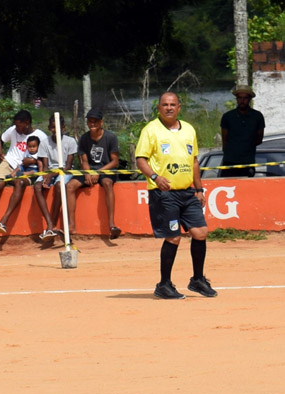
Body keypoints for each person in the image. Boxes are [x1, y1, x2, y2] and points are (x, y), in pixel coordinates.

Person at [135, 91, 217, 300]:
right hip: (164, 193)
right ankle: (164, 284)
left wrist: (199, 189)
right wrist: (155, 176)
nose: (169, 108)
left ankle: (197, 280)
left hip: (188, 192)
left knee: (200, 232)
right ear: (159, 108)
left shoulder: (188, 129)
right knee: (173, 237)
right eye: (165, 105)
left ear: (179, 107)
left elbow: (194, 161)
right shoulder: (150, 130)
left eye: (173, 104)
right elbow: (141, 160)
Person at [64, 108, 121, 239]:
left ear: (101, 122)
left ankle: (111, 225)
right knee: (70, 186)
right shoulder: (84, 138)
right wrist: (88, 173)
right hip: (89, 169)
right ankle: (71, 226)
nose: (92, 124)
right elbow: (84, 160)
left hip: (105, 169)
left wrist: (98, 172)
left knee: (107, 183)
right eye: (90, 122)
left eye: (95, 122)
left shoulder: (110, 137)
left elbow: (115, 161)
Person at [32, 115, 78, 240]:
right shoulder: (44, 142)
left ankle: (51, 225)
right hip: (50, 171)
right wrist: (46, 176)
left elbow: (68, 166)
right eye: (52, 127)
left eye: (58, 127)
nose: (55, 130)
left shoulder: (70, 141)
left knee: (59, 186)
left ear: (63, 128)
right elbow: (46, 165)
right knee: (37, 186)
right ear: (49, 128)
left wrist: (53, 174)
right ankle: (50, 224)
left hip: (65, 172)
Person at [220, 84, 265, 177]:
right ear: (236, 99)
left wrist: (246, 145)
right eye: (239, 98)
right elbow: (225, 140)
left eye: (245, 98)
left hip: (248, 162)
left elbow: (259, 138)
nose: (242, 101)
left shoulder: (257, 116)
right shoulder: (228, 117)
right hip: (230, 161)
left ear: (249, 99)